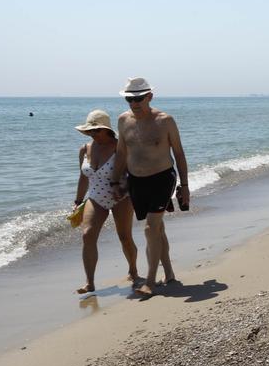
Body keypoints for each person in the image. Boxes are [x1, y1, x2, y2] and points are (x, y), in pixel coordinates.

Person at [109, 78, 190, 297]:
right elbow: (121, 153)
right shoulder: (123, 121)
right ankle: (170, 273)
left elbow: (180, 154)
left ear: (150, 97)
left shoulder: (165, 121)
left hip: (163, 178)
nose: (134, 103)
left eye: (138, 98)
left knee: (150, 229)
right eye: (129, 99)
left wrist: (184, 186)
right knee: (157, 229)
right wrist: (115, 181)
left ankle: (151, 281)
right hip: (137, 181)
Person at [72, 109, 138, 293]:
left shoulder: (120, 147)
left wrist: (124, 189)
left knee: (124, 237)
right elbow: (83, 177)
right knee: (87, 235)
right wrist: (78, 200)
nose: (93, 134)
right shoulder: (85, 149)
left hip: (121, 197)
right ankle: (90, 282)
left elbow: (134, 173)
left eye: (96, 130)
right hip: (95, 197)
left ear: (107, 130)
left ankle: (133, 271)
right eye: (90, 131)